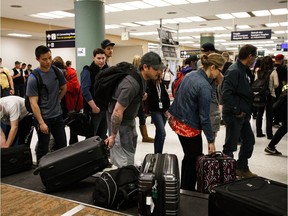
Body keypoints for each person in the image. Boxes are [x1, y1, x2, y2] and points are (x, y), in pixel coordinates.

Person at [168, 53, 225, 191]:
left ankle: (185, 187)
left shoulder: (190, 75)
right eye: (219, 70)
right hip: (189, 127)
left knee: (189, 157)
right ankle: (188, 189)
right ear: (212, 67)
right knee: (194, 159)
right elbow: (204, 117)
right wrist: (211, 140)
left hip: (177, 120)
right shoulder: (204, 86)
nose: (219, 73)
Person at [105, 51, 164, 168]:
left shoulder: (142, 78)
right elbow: (117, 112)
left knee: (128, 158)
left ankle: (128, 174)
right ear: (145, 67)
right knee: (124, 163)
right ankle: (124, 181)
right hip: (120, 126)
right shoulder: (131, 84)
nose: (159, 72)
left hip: (129, 123)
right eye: (156, 69)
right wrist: (112, 136)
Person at [221, 44, 258, 178]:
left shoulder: (244, 70)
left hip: (242, 114)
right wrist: (236, 110)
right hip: (234, 114)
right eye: (255, 56)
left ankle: (241, 167)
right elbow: (226, 93)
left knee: (249, 141)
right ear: (250, 56)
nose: (255, 59)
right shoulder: (234, 70)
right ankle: (227, 173)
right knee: (230, 145)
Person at [26, 45, 67, 162]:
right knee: (43, 148)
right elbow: (33, 103)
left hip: (57, 115)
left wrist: (57, 100)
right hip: (43, 118)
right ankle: (42, 169)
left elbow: (64, 87)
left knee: (62, 144)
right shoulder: (34, 78)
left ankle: (60, 167)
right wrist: (41, 122)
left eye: (50, 58)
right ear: (37, 59)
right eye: (44, 59)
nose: (48, 61)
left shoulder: (56, 71)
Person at [52, 57, 83, 145]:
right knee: (59, 127)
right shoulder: (52, 73)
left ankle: (73, 146)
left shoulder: (71, 72)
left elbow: (74, 87)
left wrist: (62, 82)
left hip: (72, 103)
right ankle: (60, 146)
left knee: (73, 127)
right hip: (59, 104)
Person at [80, 48, 108, 139]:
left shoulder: (107, 70)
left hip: (105, 109)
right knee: (91, 136)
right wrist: (94, 107)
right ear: (93, 58)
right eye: (98, 58)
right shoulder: (87, 70)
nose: (101, 61)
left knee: (103, 135)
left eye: (103, 58)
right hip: (93, 110)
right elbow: (85, 90)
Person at [255, 56, 279, 139]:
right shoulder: (273, 71)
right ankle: (269, 134)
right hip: (270, 95)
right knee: (269, 115)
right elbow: (276, 84)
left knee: (259, 114)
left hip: (260, 95)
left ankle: (258, 132)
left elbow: (256, 82)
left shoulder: (258, 71)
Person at [146, 71, 170, 153]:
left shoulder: (161, 83)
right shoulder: (149, 83)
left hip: (163, 111)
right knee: (162, 133)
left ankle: (157, 153)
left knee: (159, 133)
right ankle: (158, 154)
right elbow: (152, 99)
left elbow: (165, 96)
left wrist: (167, 109)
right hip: (155, 111)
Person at [132, 55, 154, 143]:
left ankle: (145, 136)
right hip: (136, 99)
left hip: (138, 98)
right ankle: (144, 136)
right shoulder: (137, 73)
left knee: (140, 116)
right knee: (140, 116)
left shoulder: (136, 72)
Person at [264, 83, 287, 155]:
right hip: (284, 104)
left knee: (285, 127)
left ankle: (270, 147)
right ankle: (270, 146)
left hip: (282, 103)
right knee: (285, 127)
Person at [273, 54, 286, 126]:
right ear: (281, 60)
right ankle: (277, 121)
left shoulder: (271, 67)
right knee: (279, 105)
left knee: (273, 105)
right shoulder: (283, 68)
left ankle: (273, 120)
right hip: (280, 90)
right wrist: (285, 90)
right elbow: (284, 82)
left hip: (272, 89)